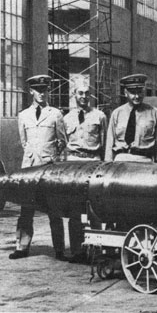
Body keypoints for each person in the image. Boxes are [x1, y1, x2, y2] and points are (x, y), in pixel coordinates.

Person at [9, 75, 67, 261]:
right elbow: (24, 142)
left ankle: (59, 249)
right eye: (38, 90)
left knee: (54, 211)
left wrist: (50, 157)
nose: (42, 94)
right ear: (31, 91)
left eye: (45, 90)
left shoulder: (55, 114)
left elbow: (62, 141)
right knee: (26, 210)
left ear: (48, 91)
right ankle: (22, 247)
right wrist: (33, 156)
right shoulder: (23, 115)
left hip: (49, 169)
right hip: (29, 169)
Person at [62, 79, 107, 263]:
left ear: (90, 95)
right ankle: (77, 250)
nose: (83, 97)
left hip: (93, 161)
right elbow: (63, 142)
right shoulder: (66, 118)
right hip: (73, 162)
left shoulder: (99, 116)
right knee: (74, 209)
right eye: (80, 93)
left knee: (95, 208)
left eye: (87, 93)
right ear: (74, 95)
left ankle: (98, 250)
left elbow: (104, 143)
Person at [105, 74, 157, 163]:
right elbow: (110, 141)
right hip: (121, 159)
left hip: (144, 159)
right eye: (133, 92)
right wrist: (108, 161)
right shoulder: (117, 113)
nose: (137, 96)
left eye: (139, 92)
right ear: (125, 93)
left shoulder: (154, 112)